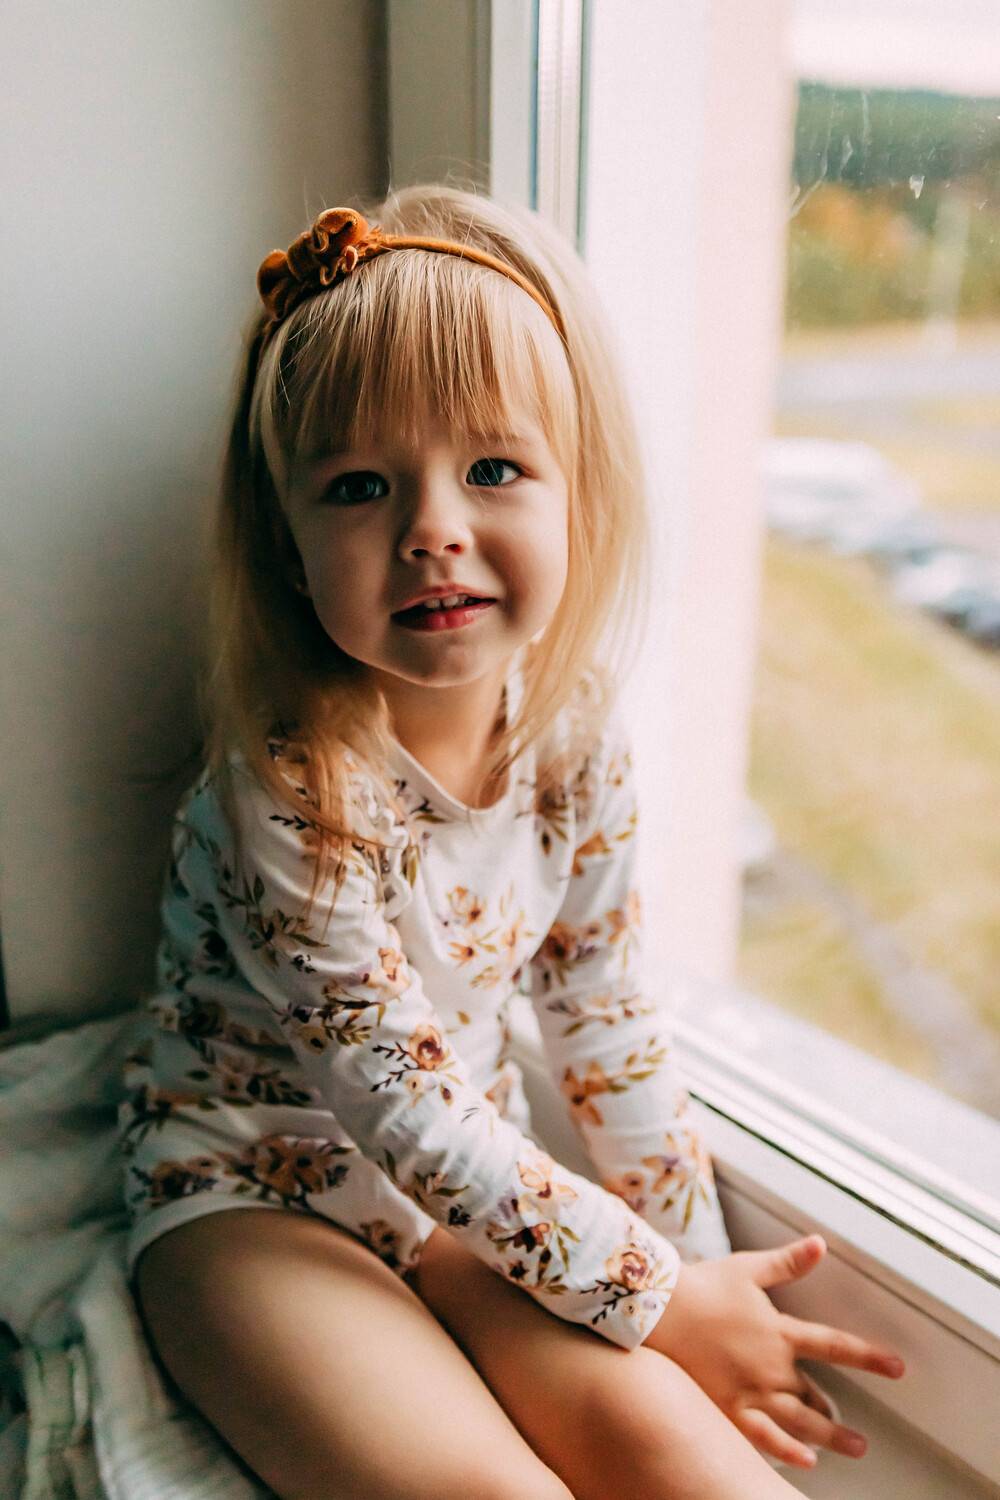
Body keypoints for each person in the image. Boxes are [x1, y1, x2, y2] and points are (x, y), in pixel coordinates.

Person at [122, 184, 905, 1500]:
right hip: (255, 1191)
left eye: (492, 470)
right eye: (360, 487)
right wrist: (657, 1296)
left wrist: (699, 1280)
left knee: (695, 1463)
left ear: (576, 496)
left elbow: (604, 1019)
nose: (432, 528)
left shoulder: (574, 734)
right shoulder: (289, 788)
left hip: (461, 1205)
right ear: (290, 548)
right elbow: (402, 1103)